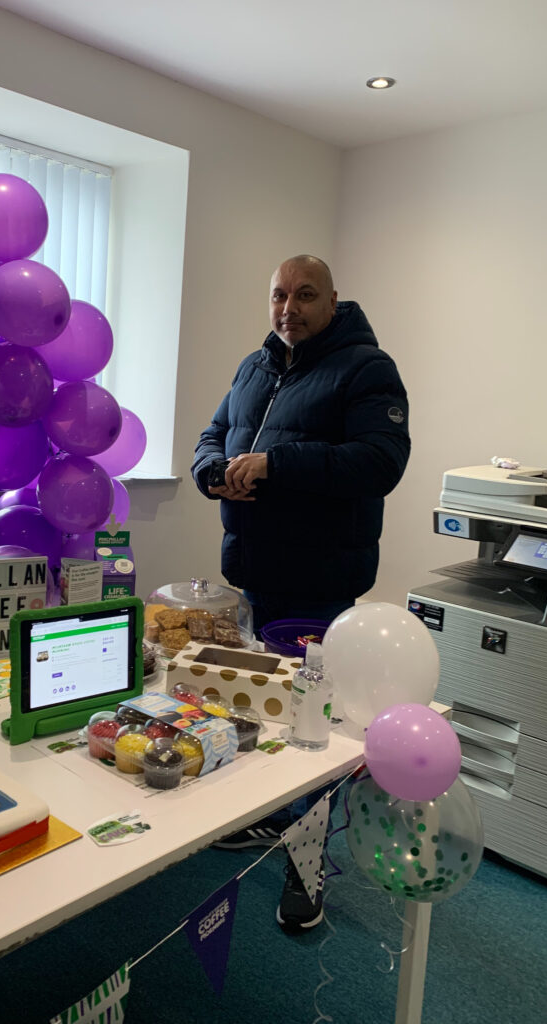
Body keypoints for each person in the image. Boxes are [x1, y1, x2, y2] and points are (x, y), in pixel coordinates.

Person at [191, 255, 410, 931]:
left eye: (305, 295)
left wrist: (276, 465)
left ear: (333, 301)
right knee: (257, 708)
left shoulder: (367, 368)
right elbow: (213, 434)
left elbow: (380, 462)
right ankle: (263, 819)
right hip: (255, 575)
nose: (289, 308)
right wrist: (211, 472)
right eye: (279, 295)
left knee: (313, 729)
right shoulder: (254, 367)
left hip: (320, 585)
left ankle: (306, 868)